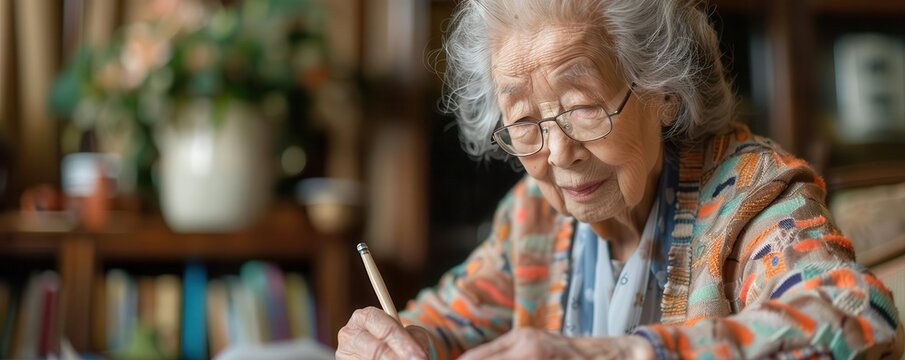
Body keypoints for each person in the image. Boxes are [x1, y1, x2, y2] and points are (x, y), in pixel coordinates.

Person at [337, 0, 904, 358]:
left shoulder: (750, 195)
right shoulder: (532, 217)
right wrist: (398, 341)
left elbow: (857, 317)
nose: (560, 154)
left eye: (584, 108)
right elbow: (448, 318)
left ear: (661, 91)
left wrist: (611, 354)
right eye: (525, 124)